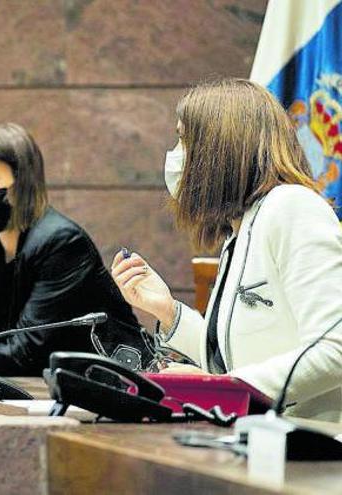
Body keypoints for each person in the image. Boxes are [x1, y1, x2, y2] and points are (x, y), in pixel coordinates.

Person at [111, 78, 342, 421]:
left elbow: (335, 349)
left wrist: (218, 388)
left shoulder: (292, 208)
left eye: (183, 139)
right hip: (257, 442)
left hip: (311, 452)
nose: (176, 155)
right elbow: (238, 360)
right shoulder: (240, 229)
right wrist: (168, 311)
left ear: (219, 148)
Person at [0, 123, 140, 376]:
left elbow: (26, 351)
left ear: (22, 181)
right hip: (44, 377)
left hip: (110, 378)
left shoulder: (61, 241)